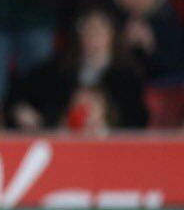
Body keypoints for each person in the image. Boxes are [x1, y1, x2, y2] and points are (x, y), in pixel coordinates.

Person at [9, 9, 148, 130]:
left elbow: (136, 120)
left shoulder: (127, 74)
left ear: (113, 33)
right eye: (87, 28)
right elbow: (19, 96)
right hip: (62, 143)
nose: (93, 34)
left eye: (100, 28)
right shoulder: (59, 68)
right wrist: (25, 113)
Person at [110, 0, 184, 84]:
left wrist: (150, 46)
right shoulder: (114, 16)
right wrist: (122, 43)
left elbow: (175, 66)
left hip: (161, 88)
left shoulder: (167, 17)